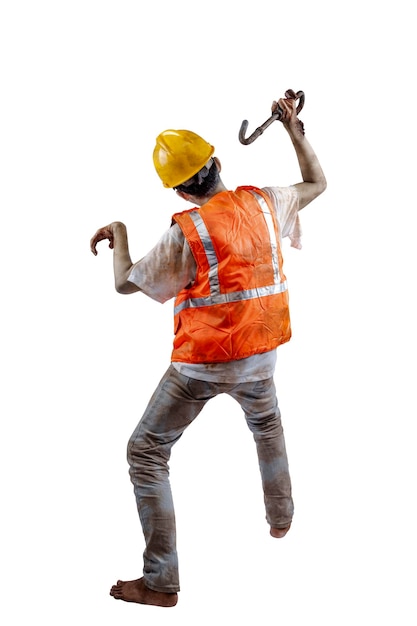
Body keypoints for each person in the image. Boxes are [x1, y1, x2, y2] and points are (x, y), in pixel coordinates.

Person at [90, 93, 326, 608]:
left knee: (146, 452)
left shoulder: (187, 231)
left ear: (177, 187)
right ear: (217, 163)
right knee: (267, 428)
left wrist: (121, 232)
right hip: (261, 356)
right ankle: (281, 519)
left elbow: (128, 285)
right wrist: (292, 129)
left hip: (199, 367)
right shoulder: (265, 203)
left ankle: (160, 581)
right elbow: (317, 184)